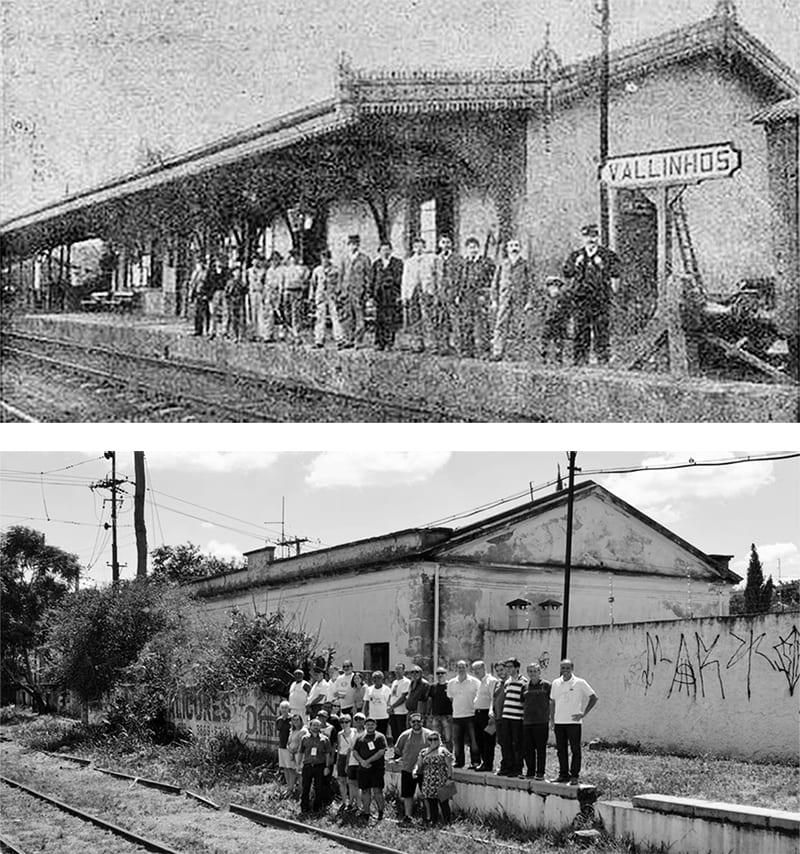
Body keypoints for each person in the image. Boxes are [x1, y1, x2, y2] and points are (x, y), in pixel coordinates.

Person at [562, 223, 621, 366]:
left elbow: (616, 272)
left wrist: (602, 266)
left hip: (600, 299)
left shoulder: (607, 255)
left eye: (594, 236)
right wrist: (576, 265)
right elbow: (567, 273)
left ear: (598, 237)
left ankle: (603, 360)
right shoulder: (576, 255)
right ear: (583, 238)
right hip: (581, 299)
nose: (591, 239)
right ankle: (580, 360)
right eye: (588, 237)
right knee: (581, 329)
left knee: (601, 329)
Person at [549, 658, 598, 785]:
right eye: (563, 668)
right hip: (559, 722)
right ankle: (563, 774)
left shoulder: (580, 682)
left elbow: (593, 697)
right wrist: (552, 719)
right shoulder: (555, 683)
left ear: (572, 669)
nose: (565, 671)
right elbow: (553, 702)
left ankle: (574, 776)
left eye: (567, 668)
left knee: (575, 750)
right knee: (561, 750)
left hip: (574, 723)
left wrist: (584, 713)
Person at [490, 239, 535, 361]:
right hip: (504, 299)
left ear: (520, 248)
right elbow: (495, 283)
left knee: (517, 326)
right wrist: (494, 300)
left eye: (516, 245)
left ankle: (514, 353)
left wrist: (529, 301)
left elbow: (531, 284)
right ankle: (497, 352)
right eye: (511, 246)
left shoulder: (525, 264)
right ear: (507, 249)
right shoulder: (502, 264)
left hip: (519, 299)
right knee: (500, 325)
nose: (514, 248)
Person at [457, 237, 495, 357]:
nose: (473, 250)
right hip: (467, 296)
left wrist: (486, 294)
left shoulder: (486, 262)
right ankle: (468, 349)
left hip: (480, 296)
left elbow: (492, 280)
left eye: (475, 247)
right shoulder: (464, 263)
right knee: (467, 323)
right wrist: (459, 294)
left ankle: (483, 350)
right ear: (466, 249)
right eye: (470, 248)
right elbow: (461, 280)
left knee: (481, 323)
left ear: (478, 248)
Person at [393, 712, 432, 825]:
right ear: (410, 723)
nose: (416, 723)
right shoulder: (404, 735)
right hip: (408, 769)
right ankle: (408, 816)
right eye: (413, 721)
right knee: (408, 795)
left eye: (418, 721)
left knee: (426, 794)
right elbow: (397, 749)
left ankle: (428, 817)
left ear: (422, 722)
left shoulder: (429, 734)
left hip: (424, 770)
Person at [401, 237, 436, 351]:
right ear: (413, 248)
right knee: (415, 318)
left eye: (421, 246)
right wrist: (404, 296)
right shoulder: (409, 262)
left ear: (424, 247)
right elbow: (405, 280)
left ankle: (431, 344)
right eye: (416, 246)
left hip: (426, 291)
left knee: (428, 317)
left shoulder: (431, 260)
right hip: (413, 291)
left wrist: (433, 291)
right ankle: (417, 344)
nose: (418, 248)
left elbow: (435, 277)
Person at [413, 731, 454, 825]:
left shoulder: (443, 751)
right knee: (432, 803)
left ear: (439, 739)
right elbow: (419, 765)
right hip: (428, 780)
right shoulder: (424, 752)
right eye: (431, 739)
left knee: (444, 803)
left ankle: (447, 823)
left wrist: (449, 778)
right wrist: (415, 771)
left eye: (435, 739)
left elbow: (449, 766)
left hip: (442, 779)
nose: (433, 741)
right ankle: (434, 821)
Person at [339, 234, 372, 348]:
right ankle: (349, 339)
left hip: (359, 292)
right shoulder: (344, 259)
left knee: (359, 317)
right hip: (346, 292)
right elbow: (341, 275)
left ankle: (359, 340)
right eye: (351, 244)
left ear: (358, 245)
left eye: (355, 244)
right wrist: (340, 291)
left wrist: (367, 292)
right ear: (348, 245)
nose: (353, 246)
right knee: (347, 317)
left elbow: (369, 276)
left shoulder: (364, 259)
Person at [432, 236, 464, 354]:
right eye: (443, 242)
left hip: (452, 294)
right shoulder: (437, 259)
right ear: (440, 244)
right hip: (441, 295)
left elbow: (461, 277)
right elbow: (434, 277)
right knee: (441, 321)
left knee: (455, 321)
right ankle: (444, 346)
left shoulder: (457, 259)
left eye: (447, 242)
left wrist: (458, 294)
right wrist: (436, 293)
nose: (445, 245)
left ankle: (458, 347)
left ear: (451, 244)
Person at [447, 659, 480, 769]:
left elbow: (479, 696)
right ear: (456, 668)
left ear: (467, 668)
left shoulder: (475, 682)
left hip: (471, 715)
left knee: (473, 741)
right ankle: (459, 762)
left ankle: (475, 762)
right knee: (457, 741)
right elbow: (451, 698)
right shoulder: (451, 683)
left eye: (463, 667)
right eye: (459, 667)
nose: (461, 669)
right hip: (457, 716)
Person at [371, 241, 403, 350]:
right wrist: (371, 295)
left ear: (391, 250)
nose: (385, 252)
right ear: (379, 252)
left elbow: (400, 279)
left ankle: (389, 343)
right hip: (379, 295)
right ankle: (379, 342)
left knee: (390, 319)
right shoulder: (376, 264)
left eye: (387, 249)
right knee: (379, 320)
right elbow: (372, 280)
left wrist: (398, 294)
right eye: (383, 250)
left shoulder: (397, 263)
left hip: (391, 295)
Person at [353, 717, 387, 821]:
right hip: (363, 769)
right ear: (365, 726)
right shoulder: (360, 737)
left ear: (375, 726)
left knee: (378, 791)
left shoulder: (380, 737)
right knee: (365, 791)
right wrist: (362, 762)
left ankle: (381, 813)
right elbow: (355, 752)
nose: (370, 726)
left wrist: (368, 761)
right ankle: (366, 812)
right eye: (368, 724)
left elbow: (381, 752)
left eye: (372, 724)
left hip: (377, 769)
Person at [521, 662, 551, 780]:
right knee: (528, 749)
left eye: (535, 671)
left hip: (541, 722)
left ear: (539, 672)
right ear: (527, 673)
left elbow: (552, 701)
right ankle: (530, 771)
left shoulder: (546, 685)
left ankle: (540, 773)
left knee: (541, 749)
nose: (532, 674)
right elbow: (522, 702)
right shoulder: (525, 687)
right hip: (527, 722)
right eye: (530, 671)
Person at [299, 717, 333, 814]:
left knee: (319, 788)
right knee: (305, 787)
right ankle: (304, 807)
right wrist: (299, 764)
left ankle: (316, 808)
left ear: (320, 727)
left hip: (320, 766)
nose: (315, 727)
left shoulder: (325, 739)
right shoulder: (304, 738)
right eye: (314, 725)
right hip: (308, 765)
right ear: (310, 726)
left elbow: (327, 754)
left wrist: (327, 767)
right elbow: (301, 752)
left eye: (317, 725)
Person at [498, 658, 525, 777]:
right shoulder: (507, 682)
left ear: (517, 668)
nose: (508, 669)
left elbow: (524, 701)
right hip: (506, 717)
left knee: (517, 744)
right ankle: (507, 767)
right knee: (505, 743)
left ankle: (517, 768)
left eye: (510, 667)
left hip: (517, 718)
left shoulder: (523, 681)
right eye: (507, 667)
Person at [311, 248, 344, 349]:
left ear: (330, 258)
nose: (325, 260)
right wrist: (311, 297)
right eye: (323, 258)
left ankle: (340, 339)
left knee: (335, 317)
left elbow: (339, 283)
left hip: (332, 296)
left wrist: (338, 294)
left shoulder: (335, 270)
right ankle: (319, 340)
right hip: (320, 296)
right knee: (320, 318)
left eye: (327, 258)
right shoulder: (317, 270)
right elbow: (313, 284)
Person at [471, 660, 499, 772]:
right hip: (477, 714)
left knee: (488, 741)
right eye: (474, 670)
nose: (476, 671)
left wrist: (492, 714)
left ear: (484, 668)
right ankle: (484, 762)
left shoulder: (491, 681)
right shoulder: (480, 682)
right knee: (479, 740)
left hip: (486, 714)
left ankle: (488, 764)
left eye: (478, 668)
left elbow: (494, 698)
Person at [540, 276, 572, 364]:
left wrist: (566, 320)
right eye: (552, 286)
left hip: (559, 322)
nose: (554, 288)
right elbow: (541, 310)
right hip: (548, 322)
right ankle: (544, 357)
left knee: (558, 339)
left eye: (556, 286)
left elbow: (567, 310)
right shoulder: (545, 299)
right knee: (545, 339)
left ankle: (558, 358)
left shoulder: (563, 299)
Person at [281, 250, 309, 342]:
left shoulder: (302, 268)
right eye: (291, 257)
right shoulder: (286, 268)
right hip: (287, 291)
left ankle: (296, 333)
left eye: (295, 256)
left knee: (296, 313)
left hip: (297, 291)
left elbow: (305, 278)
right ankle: (290, 332)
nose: (293, 259)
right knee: (287, 313)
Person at [335, 712, 359, 812]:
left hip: (352, 759)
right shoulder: (339, 734)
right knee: (342, 781)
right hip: (341, 757)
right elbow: (339, 747)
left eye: (346, 721)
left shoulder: (355, 732)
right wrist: (337, 762)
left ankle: (353, 802)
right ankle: (344, 801)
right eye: (342, 722)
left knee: (352, 782)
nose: (344, 724)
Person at [428, 666, 453, 751]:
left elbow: (453, 701)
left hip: (447, 716)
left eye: (442, 673)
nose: (440, 675)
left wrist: (452, 714)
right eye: (438, 673)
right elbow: (430, 701)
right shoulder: (433, 686)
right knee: (435, 738)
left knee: (448, 739)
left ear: (446, 674)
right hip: (436, 716)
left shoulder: (450, 685)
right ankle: (437, 756)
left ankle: (449, 757)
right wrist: (430, 714)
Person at [263, 251, 284, 342]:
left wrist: (280, 293)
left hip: (278, 293)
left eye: (276, 260)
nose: (274, 262)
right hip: (269, 293)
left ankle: (281, 334)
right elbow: (266, 284)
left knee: (280, 313)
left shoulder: (281, 270)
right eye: (272, 260)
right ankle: (268, 335)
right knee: (269, 314)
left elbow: (281, 283)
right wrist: (266, 294)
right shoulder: (269, 271)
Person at [224, 263, 248, 342]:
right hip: (232, 302)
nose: (238, 273)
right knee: (232, 319)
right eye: (236, 272)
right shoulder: (230, 282)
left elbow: (245, 291)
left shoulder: (241, 282)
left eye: (239, 272)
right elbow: (227, 293)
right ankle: (233, 335)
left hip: (240, 302)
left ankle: (241, 335)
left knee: (241, 319)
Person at [388, 663, 411, 744]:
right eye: (396, 669)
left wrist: (392, 707)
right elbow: (391, 696)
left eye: (399, 669)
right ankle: (396, 752)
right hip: (393, 712)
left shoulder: (406, 682)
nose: (397, 671)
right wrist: (389, 706)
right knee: (394, 733)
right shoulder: (395, 682)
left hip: (401, 712)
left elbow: (403, 697)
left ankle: (402, 752)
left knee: (401, 733)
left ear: (404, 671)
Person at [363, 671, 391, 736]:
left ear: (382, 679)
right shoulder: (369, 689)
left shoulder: (387, 689)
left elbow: (389, 703)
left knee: (382, 735)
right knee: (371, 734)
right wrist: (366, 715)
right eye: (374, 678)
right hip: (372, 716)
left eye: (379, 678)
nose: (376, 679)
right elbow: (367, 703)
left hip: (383, 716)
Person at [246, 254, 267, 340]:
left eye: (257, 260)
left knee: (260, 313)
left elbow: (265, 282)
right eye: (254, 260)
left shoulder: (263, 271)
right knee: (251, 313)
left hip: (260, 292)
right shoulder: (249, 271)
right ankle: (252, 333)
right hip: (251, 293)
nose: (256, 262)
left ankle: (260, 333)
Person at [286, 713, 309, 792]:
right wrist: (289, 749)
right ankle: (290, 789)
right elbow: (288, 742)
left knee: (300, 773)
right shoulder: (292, 730)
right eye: (293, 720)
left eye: (297, 720)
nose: (295, 721)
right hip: (291, 753)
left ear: (301, 720)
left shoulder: (303, 731)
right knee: (291, 770)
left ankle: (301, 790)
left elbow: (302, 743)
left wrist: (296, 751)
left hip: (299, 754)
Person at [187, 259, 209, 336]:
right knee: (197, 313)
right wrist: (190, 296)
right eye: (199, 263)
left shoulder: (206, 273)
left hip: (205, 295)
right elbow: (192, 285)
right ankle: (198, 330)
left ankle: (207, 330)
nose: (200, 265)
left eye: (202, 263)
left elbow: (208, 283)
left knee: (206, 313)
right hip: (197, 295)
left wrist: (207, 294)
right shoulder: (195, 273)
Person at [276, 700, 294, 787]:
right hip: (281, 746)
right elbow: (278, 732)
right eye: (282, 708)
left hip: (290, 747)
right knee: (285, 768)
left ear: (289, 709)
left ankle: (292, 786)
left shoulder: (292, 719)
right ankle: (289, 787)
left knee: (291, 768)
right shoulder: (278, 720)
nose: (284, 709)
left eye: (286, 708)